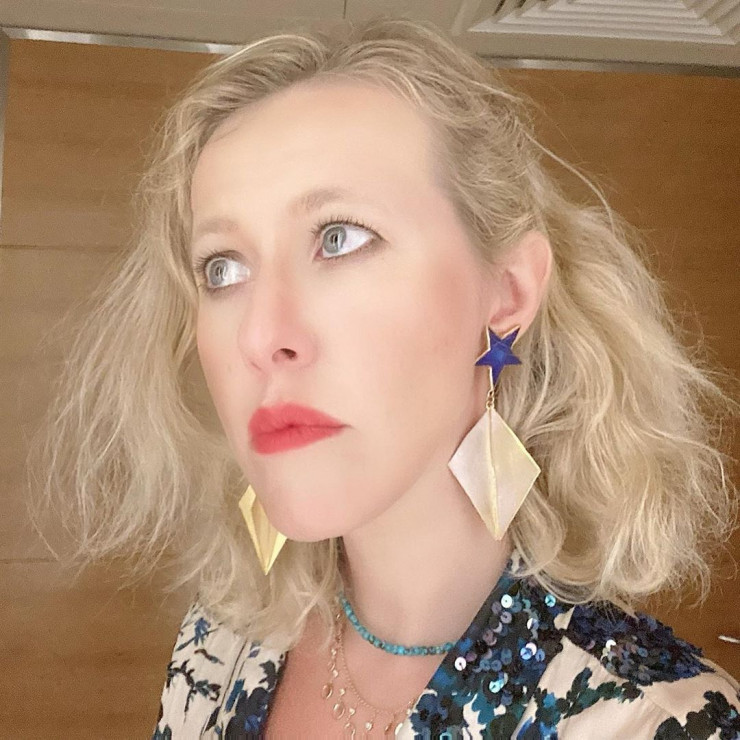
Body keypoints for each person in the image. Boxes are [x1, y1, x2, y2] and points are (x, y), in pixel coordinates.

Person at [28, 16, 740, 739]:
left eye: (339, 238)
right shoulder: (219, 646)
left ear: (507, 294)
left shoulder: (657, 722)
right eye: (223, 268)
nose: (260, 337)